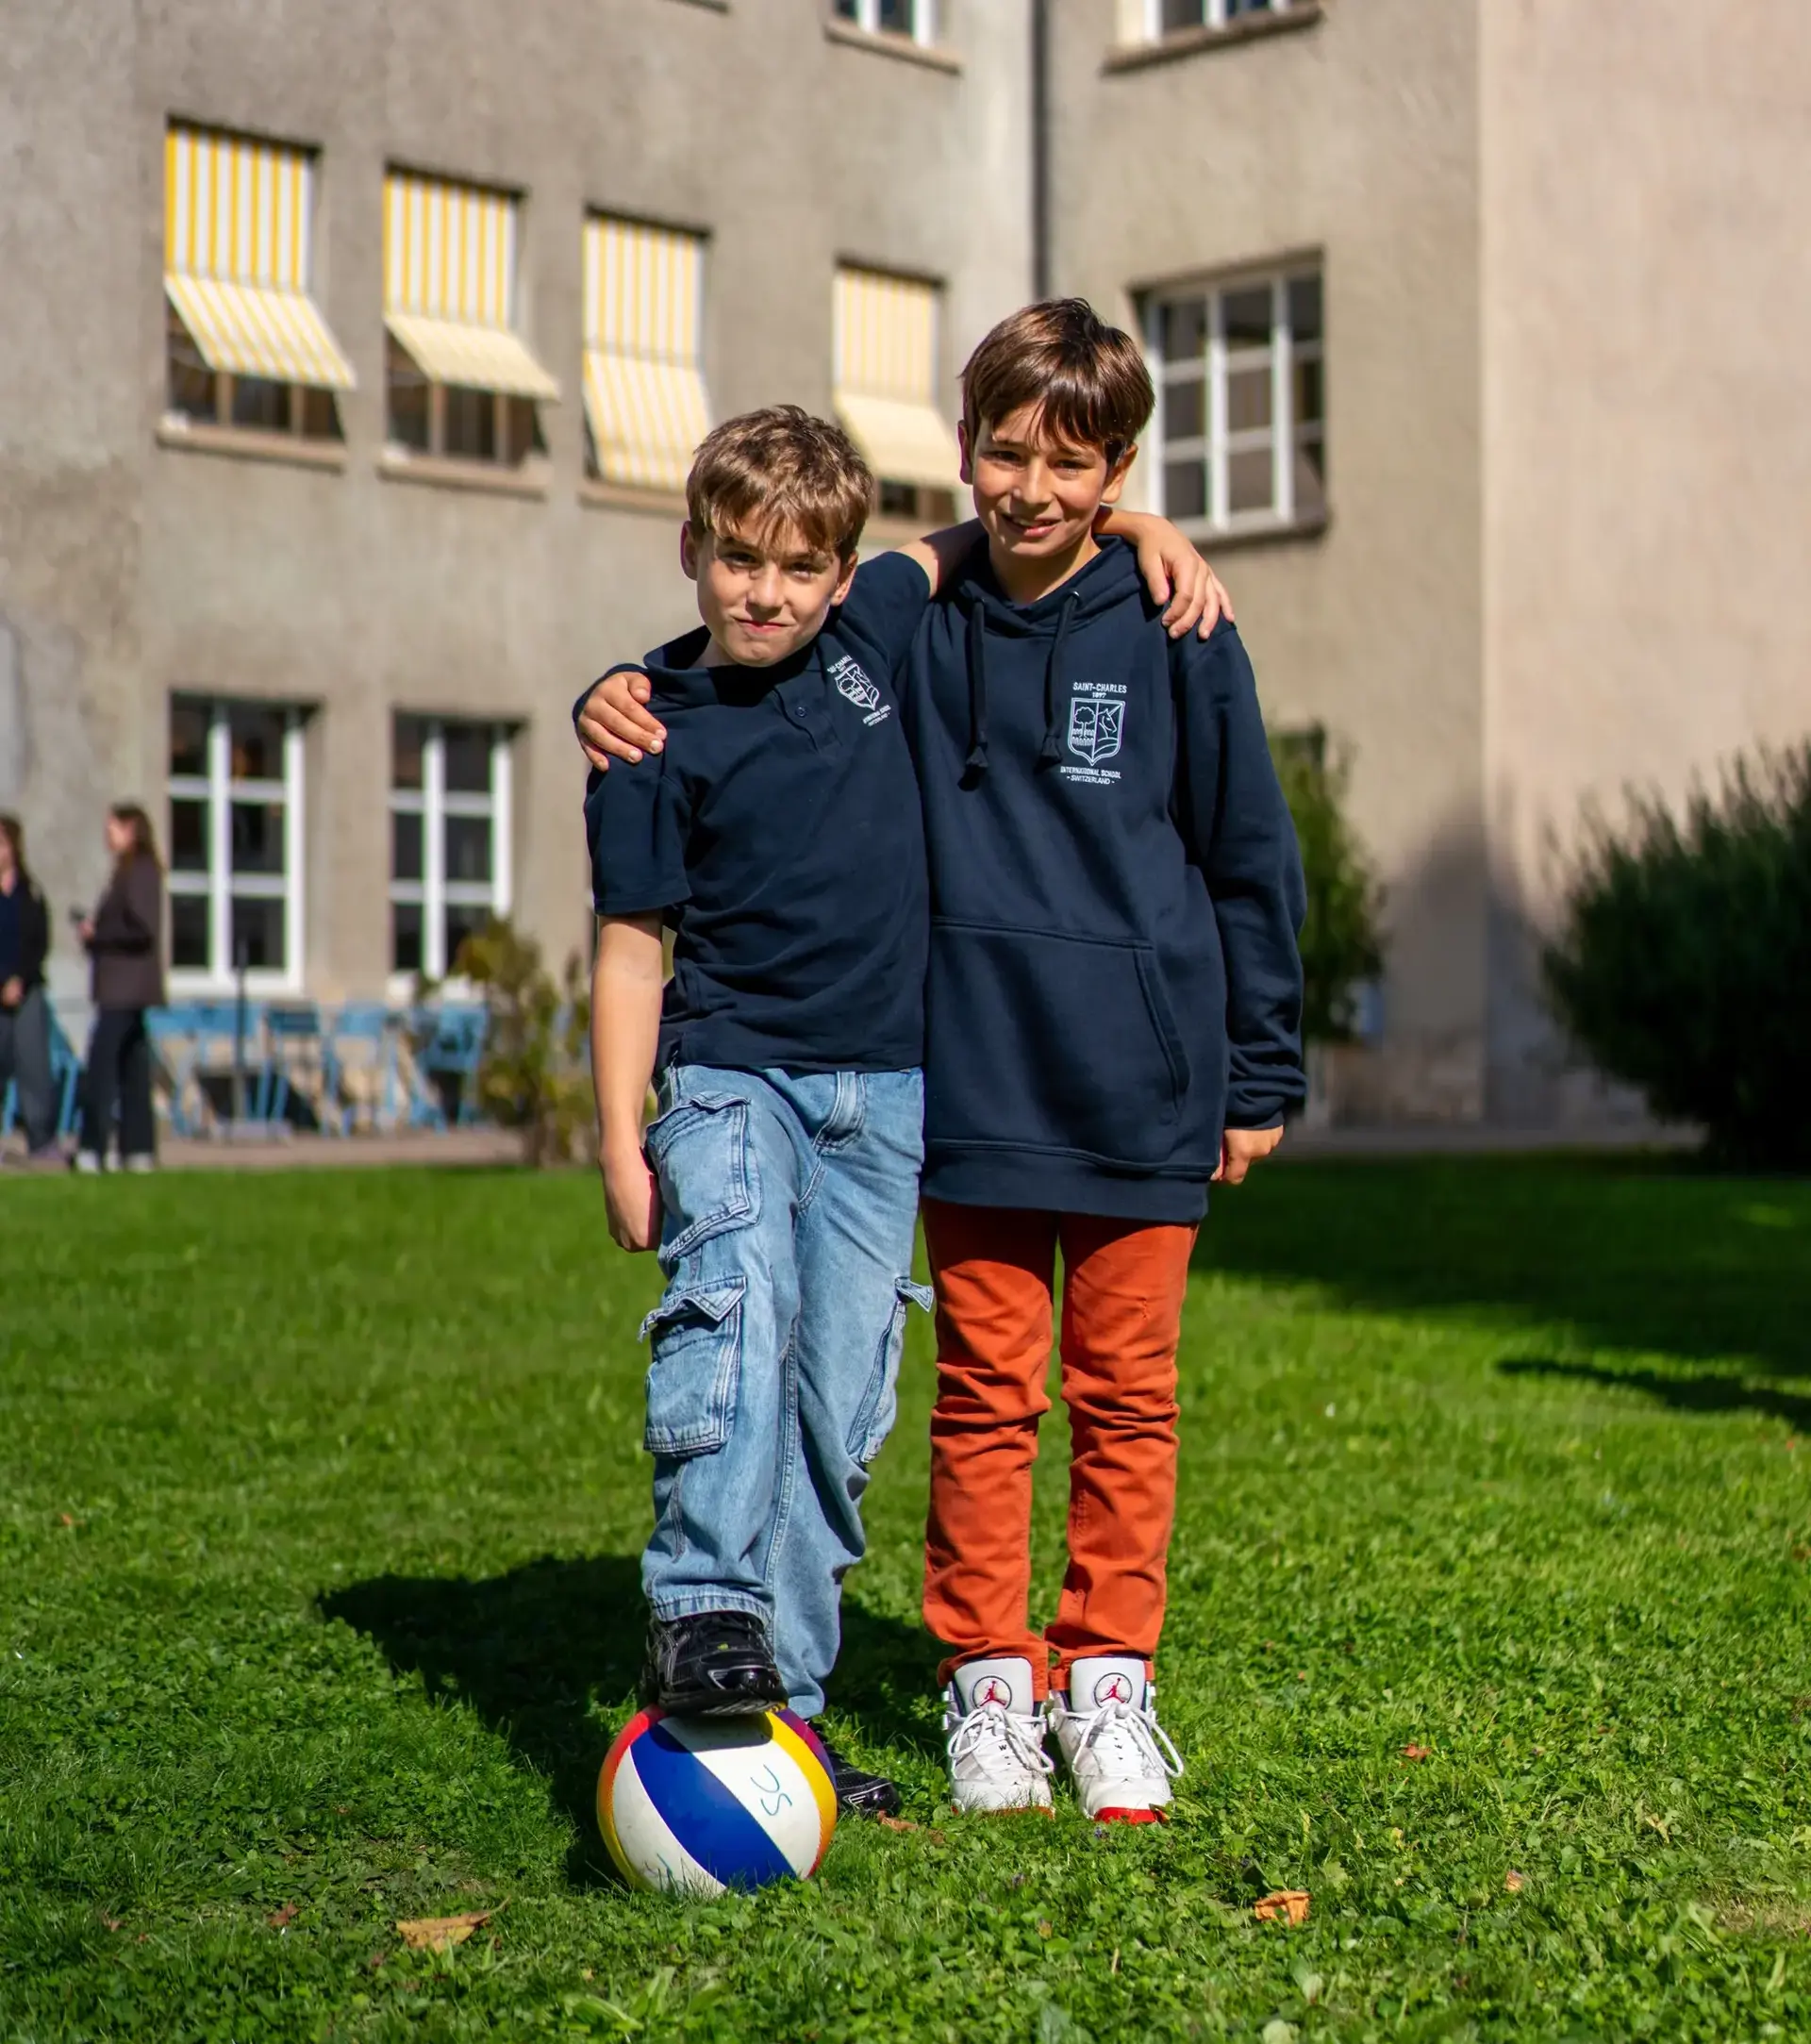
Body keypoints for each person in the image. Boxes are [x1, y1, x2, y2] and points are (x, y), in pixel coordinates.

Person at [578, 299, 1304, 1824]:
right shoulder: (910, 618)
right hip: (959, 1090)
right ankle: (981, 1680)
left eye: (1074, 463)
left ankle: (1105, 1678)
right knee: (971, 1395)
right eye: (1004, 452)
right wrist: (620, 682)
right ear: (964, 447)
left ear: (1114, 471)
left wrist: (1258, 1071)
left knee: (1107, 1399)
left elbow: (1249, 855)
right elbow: (762, 634)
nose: (1031, 487)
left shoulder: (1176, 623)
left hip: (1127, 1090)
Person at [75, 804, 166, 1174]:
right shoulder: (127, 872)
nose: (107, 834)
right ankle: (137, 1149)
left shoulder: (140, 871)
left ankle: (93, 1147)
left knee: (102, 1068)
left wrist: (100, 934)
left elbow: (142, 929)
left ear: (131, 829)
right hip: (122, 986)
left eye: (112, 827)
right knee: (132, 1068)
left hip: (125, 988)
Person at [0, 813, 59, 1167]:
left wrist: (19, 979)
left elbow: (38, 942)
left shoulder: (30, 893)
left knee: (34, 1065)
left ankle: (41, 1141)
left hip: (27, 992)